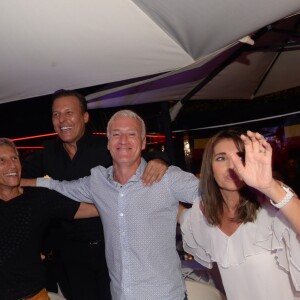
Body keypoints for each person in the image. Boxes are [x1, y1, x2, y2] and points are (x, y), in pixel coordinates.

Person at [27, 109, 201, 300]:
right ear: (108, 143)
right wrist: (15, 183)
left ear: (143, 142)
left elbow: (211, 194)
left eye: (131, 134)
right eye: (116, 134)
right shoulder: (98, 181)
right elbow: (57, 186)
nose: (123, 140)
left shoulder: (167, 178)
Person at [179, 129, 300, 300]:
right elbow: (172, 210)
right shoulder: (202, 215)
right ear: (210, 168)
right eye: (221, 158)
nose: (232, 165)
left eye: (240, 157)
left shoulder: (274, 200)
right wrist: (158, 166)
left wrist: (270, 187)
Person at [0, 138, 100, 300]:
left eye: (14, 158)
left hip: (35, 295)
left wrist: (122, 205)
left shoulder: (38, 198)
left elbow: (86, 210)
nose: (11, 165)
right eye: (2, 161)